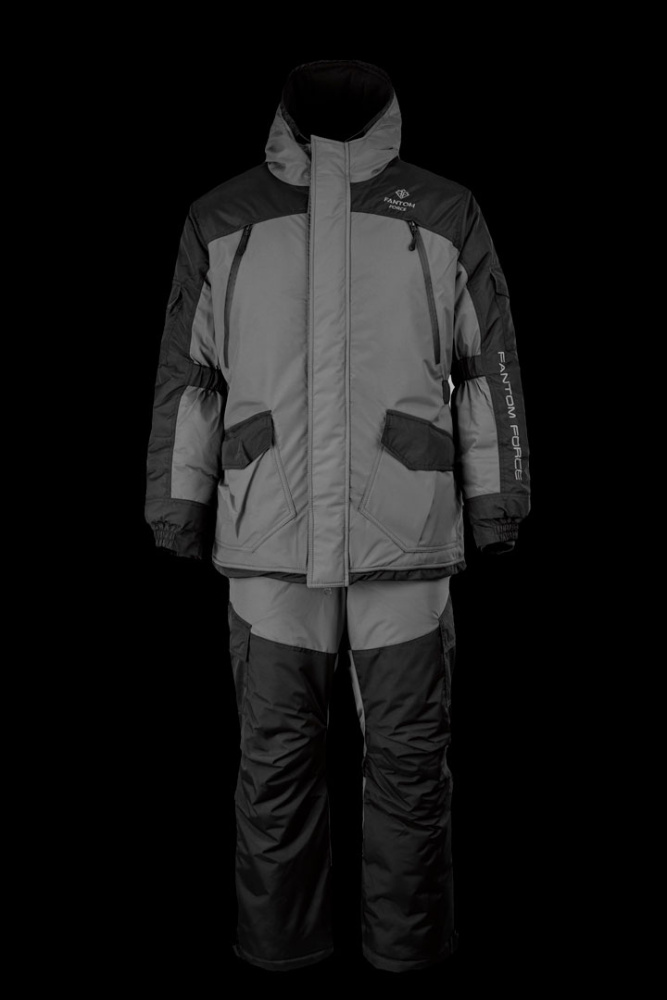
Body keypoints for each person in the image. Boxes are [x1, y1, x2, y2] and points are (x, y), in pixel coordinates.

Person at [144, 57, 531, 973]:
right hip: (270, 529)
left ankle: (408, 952)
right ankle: (278, 953)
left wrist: (497, 500)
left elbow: (486, 364)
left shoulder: (442, 210)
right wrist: (177, 503)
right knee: (274, 763)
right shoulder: (223, 215)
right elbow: (191, 375)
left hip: (404, 522)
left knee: (410, 761)